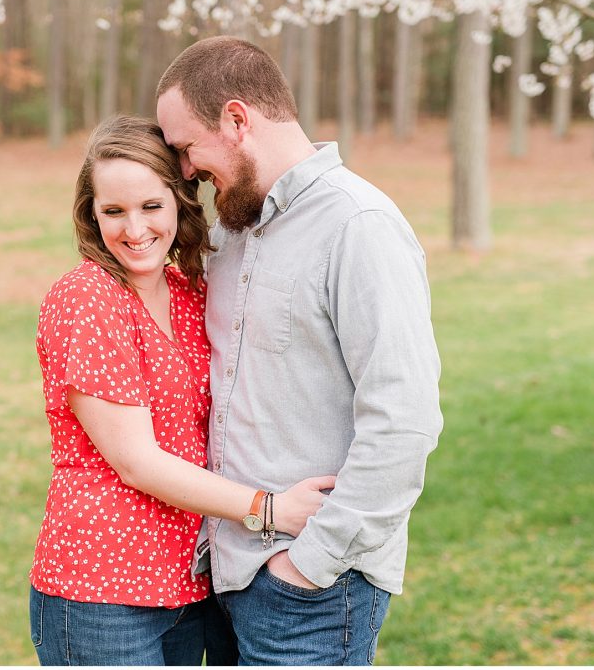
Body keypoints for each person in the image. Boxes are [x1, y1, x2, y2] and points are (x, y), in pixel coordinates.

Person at [155, 36, 444, 666]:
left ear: (237, 120)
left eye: (185, 148)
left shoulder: (358, 225)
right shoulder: (234, 230)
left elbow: (405, 419)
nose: (183, 171)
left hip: (312, 589)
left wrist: (310, 565)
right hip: (226, 576)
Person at [28, 114, 336, 666]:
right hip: (103, 587)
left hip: (191, 582)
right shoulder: (87, 299)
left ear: (179, 203)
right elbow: (137, 462)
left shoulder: (190, 291)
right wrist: (269, 510)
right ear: (91, 215)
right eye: (113, 211)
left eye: (151, 206)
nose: (134, 228)